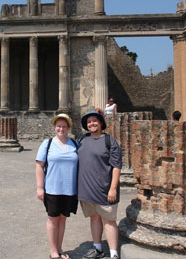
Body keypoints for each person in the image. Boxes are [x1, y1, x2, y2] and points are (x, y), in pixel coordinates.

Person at [78, 111, 122, 259]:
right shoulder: (82, 140)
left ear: (101, 123)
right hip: (88, 190)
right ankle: (98, 248)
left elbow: (116, 166)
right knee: (94, 218)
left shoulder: (110, 141)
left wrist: (113, 188)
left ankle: (114, 253)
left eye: (95, 121)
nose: (92, 124)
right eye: (89, 121)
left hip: (105, 189)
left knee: (109, 220)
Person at [36, 113, 78, 259]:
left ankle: (60, 249)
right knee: (53, 219)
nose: (61, 129)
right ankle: (53, 252)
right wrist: (40, 187)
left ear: (68, 128)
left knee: (63, 219)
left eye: (64, 126)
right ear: (55, 127)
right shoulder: (47, 144)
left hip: (70, 189)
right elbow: (39, 166)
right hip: (52, 189)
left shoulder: (74, 144)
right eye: (59, 126)